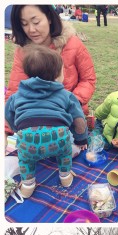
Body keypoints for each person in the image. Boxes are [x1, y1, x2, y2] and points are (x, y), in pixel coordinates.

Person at [5, 44, 88, 198]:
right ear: (57, 75)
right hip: (58, 137)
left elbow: (8, 115)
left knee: (26, 160)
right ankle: (65, 176)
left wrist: (19, 131)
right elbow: (79, 119)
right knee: (65, 153)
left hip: (27, 139)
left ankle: (28, 184)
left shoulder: (16, 96)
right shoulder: (66, 95)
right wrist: (81, 139)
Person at [6, 5, 96, 121]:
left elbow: (88, 80)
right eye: (24, 24)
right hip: (34, 121)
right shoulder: (22, 52)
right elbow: (14, 91)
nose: (31, 30)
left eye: (36, 22)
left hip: (72, 116)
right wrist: (5, 131)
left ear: (49, 18)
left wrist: (71, 102)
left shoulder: (73, 43)